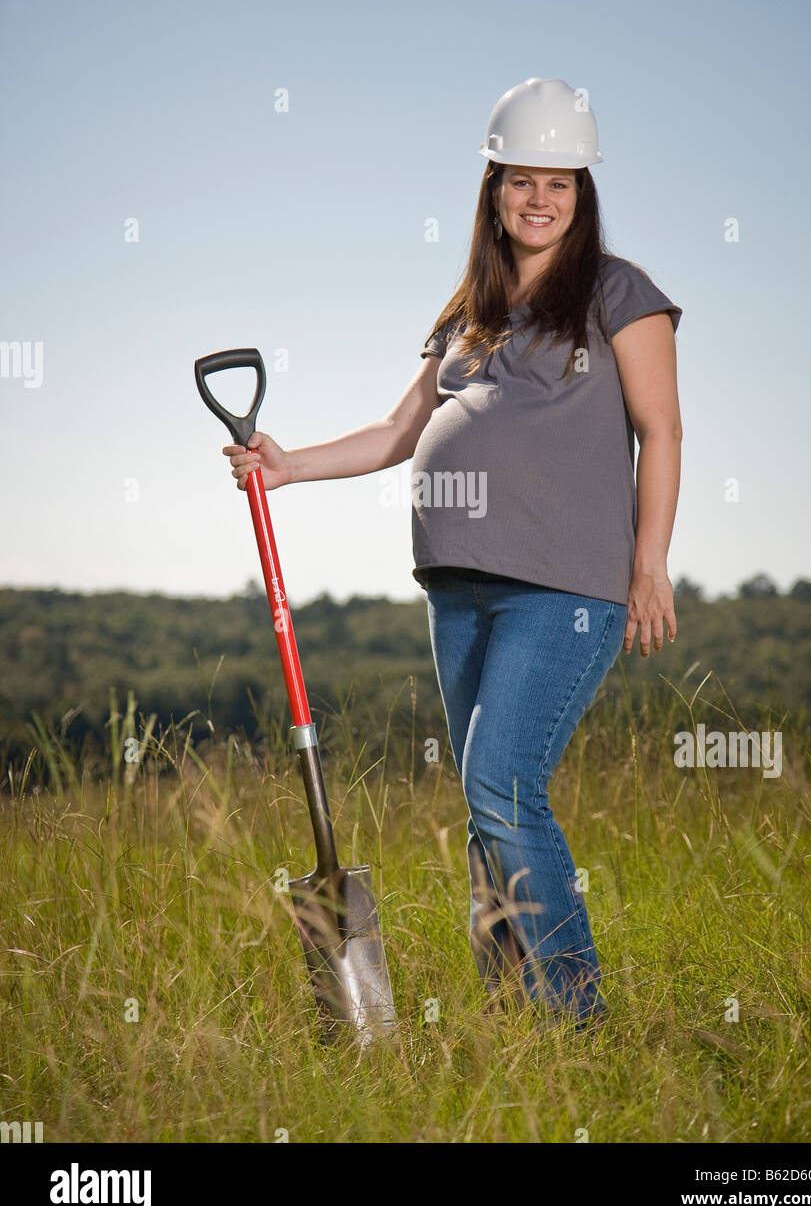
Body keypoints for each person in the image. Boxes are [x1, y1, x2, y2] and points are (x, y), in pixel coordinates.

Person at [223, 76, 683, 1032]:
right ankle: (512, 1020)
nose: (540, 199)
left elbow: (663, 429)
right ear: (494, 189)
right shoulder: (468, 306)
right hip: (459, 588)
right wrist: (288, 465)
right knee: (487, 814)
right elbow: (400, 431)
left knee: (501, 787)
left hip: (564, 590)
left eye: (560, 183)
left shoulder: (618, 292)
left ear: (582, 193)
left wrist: (648, 566)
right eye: (522, 181)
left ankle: (578, 1022)